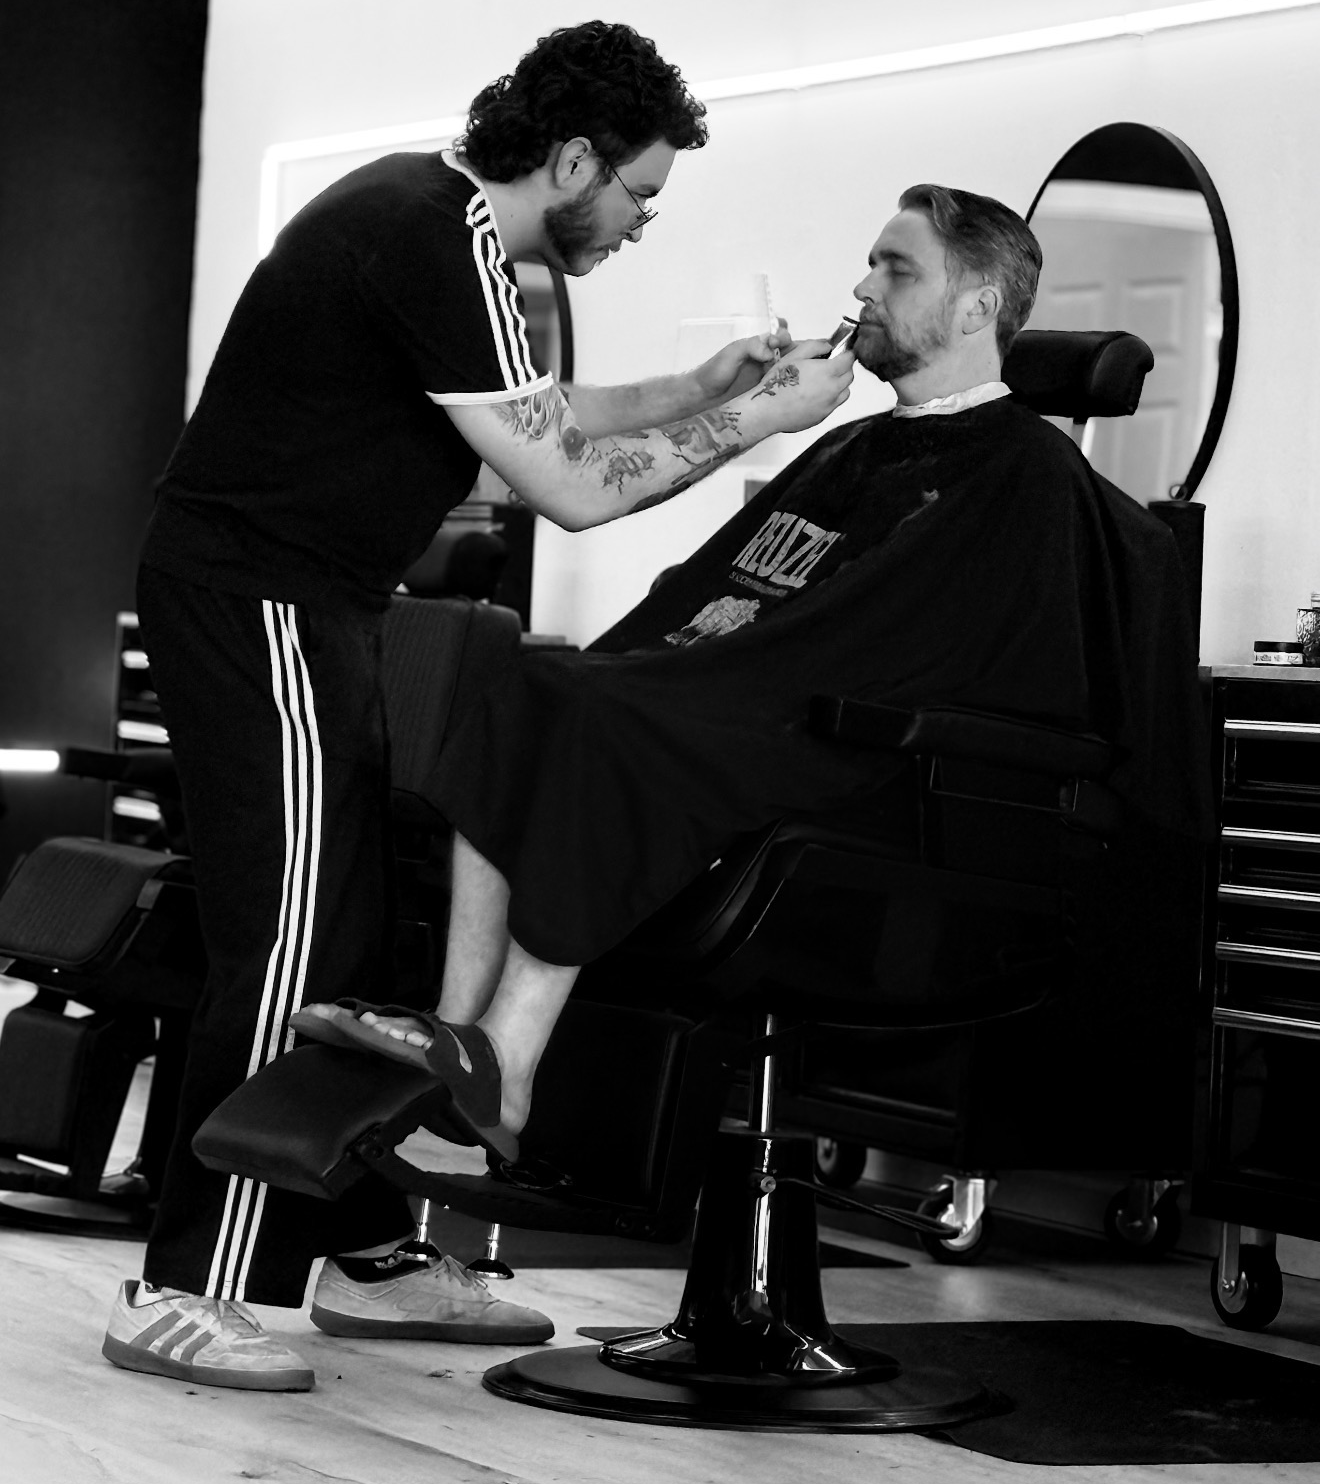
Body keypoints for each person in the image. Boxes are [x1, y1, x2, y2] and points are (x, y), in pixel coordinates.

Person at [102, 20, 854, 1393]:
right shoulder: (432, 236)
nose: (638, 222)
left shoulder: (442, 225)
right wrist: (760, 423)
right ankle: (186, 1285)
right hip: (259, 598)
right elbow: (566, 485)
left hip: (314, 601)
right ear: (571, 160)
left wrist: (699, 389)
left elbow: (537, 417)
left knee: (359, 939)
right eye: (636, 193)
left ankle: (361, 1250)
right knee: (290, 945)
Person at [294, 183, 1208, 1160]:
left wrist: (701, 682)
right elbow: (726, 589)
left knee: (597, 711)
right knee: (527, 686)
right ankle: (458, 1029)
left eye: (897, 269)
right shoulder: (850, 446)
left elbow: (924, 651)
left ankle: (508, 1057)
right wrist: (743, 423)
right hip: (761, 710)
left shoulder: (1027, 472)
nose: (863, 287)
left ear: (979, 305)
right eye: (871, 263)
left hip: (865, 767)